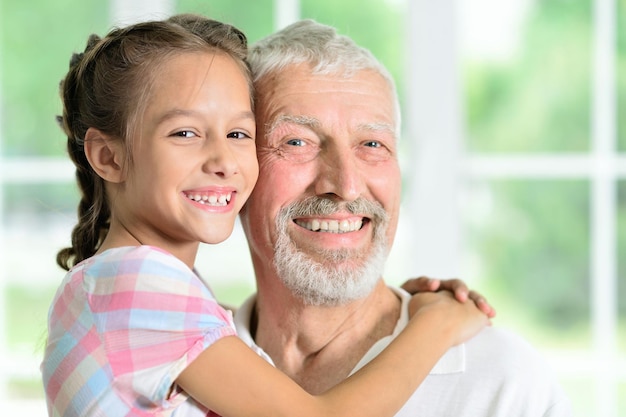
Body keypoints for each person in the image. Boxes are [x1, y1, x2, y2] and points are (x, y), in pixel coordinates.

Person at [41, 14, 491, 417]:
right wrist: (435, 322)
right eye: (185, 132)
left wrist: (396, 307)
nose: (223, 160)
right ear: (108, 157)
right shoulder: (137, 284)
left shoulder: (143, 293)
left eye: (238, 133)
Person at [234, 19, 573, 416]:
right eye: (297, 142)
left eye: (372, 144)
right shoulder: (181, 370)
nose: (346, 185)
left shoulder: (503, 383)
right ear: (233, 168)